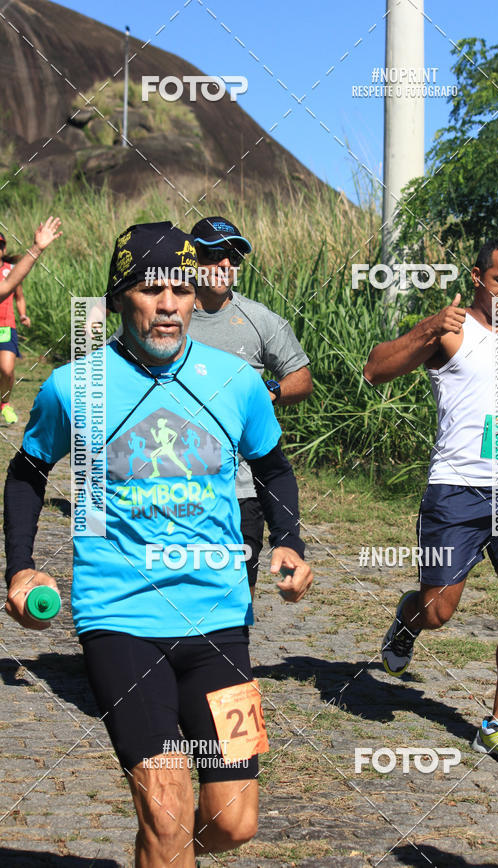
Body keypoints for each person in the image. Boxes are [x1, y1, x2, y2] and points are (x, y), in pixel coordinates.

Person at [4, 221, 313, 865]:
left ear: (197, 296)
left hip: (221, 620)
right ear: (120, 298)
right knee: (168, 814)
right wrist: (22, 567)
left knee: (234, 824)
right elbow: (29, 471)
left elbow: (274, 465)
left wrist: (288, 539)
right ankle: (165, 847)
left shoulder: (236, 380)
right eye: (149, 288)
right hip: (120, 620)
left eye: (179, 286)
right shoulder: (75, 386)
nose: (167, 303)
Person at [363, 239, 498, 766]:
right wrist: (428, 328)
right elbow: (375, 369)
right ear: (477, 276)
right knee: (438, 609)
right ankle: (407, 621)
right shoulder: (451, 329)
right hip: (457, 488)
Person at [188, 216, 313, 598]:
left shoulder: (259, 320)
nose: (227, 264)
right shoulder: (164, 314)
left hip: (241, 487)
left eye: (235, 256)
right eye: (215, 254)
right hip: (168, 483)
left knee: (236, 596)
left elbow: (302, 378)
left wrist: (265, 392)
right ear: (189, 259)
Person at [0, 219, 62, 423]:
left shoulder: (8, 270)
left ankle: (5, 404)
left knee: (7, 370)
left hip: (6, 326)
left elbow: (11, 286)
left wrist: (36, 249)